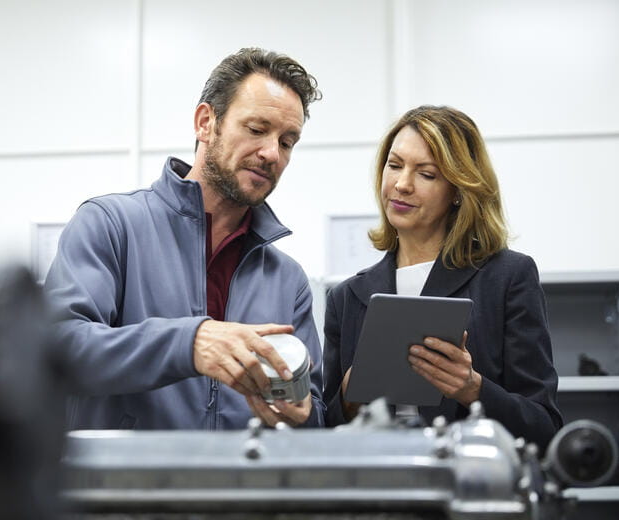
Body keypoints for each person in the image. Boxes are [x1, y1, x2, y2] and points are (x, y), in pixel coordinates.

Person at [45, 48, 325, 430]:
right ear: (206, 122)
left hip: (242, 487)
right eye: (257, 130)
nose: (271, 153)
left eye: (287, 142)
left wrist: (301, 414)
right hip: (125, 487)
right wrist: (188, 343)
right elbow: (60, 350)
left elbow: (315, 410)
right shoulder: (110, 225)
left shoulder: (288, 280)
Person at [322, 105, 562, 450]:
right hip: (380, 493)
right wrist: (347, 397)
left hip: (470, 489)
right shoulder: (346, 297)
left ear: (459, 190)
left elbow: (544, 427)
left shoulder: (508, 278)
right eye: (394, 165)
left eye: (427, 174)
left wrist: (473, 389)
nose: (402, 185)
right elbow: (323, 435)